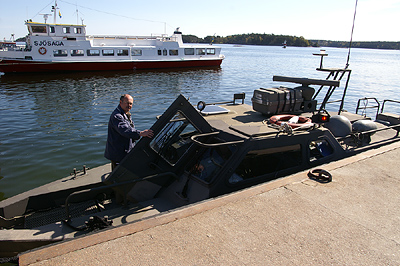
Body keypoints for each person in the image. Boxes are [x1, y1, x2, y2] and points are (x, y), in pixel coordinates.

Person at [104, 94, 154, 170]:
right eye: (127, 103)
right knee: (118, 174)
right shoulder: (117, 116)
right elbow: (125, 130)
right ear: (120, 102)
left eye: (131, 104)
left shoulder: (126, 114)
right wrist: (140, 133)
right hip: (118, 152)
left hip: (125, 150)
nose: (129, 105)